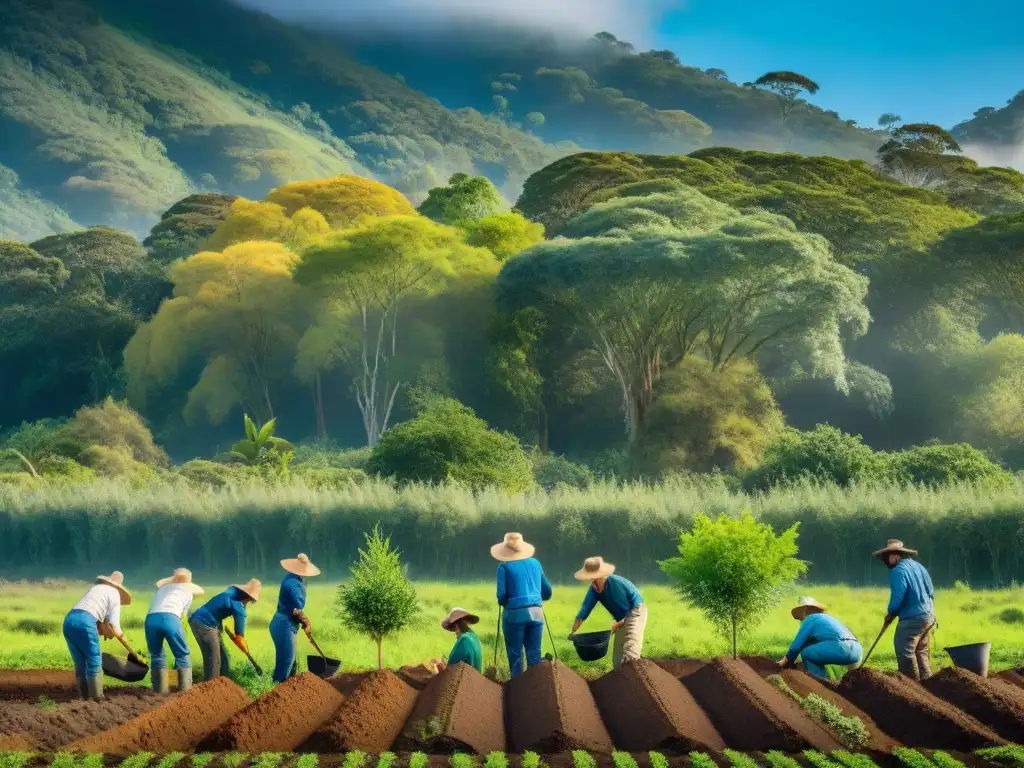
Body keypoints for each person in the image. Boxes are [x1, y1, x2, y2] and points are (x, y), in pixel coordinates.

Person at [63, 571, 133, 700]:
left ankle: (83, 698)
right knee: (94, 659)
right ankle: (97, 699)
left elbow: (101, 621)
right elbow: (114, 626)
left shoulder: (96, 588)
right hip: (86, 621)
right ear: (118, 587)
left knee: (80, 663)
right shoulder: (115, 593)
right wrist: (132, 651)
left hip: (69, 620)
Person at [875, 538, 936, 680]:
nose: (886, 562)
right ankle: (928, 684)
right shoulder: (919, 567)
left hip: (912, 618)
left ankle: (911, 686)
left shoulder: (898, 571)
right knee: (921, 651)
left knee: (905, 651)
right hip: (929, 616)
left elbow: (897, 598)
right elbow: (931, 591)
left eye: (886, 557)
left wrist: (890, 613)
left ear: (894, 556)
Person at [493, 532, 552, 678]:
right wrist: (536, 600)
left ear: (505, 550)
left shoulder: (503, 567)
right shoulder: (536, 564)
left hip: (514, 614)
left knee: (516, 655)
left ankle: (517, 687)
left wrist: (504, 602)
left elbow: (501, 595)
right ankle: (535, 686)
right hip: (536, 613)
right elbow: (548, 591)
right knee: (535, 654)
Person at [571, 557, 647, 668]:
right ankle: (620, 674)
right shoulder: (594, 590)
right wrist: (574, 630)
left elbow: (627, 610)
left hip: (635, 611)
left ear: (602, 576)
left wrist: (619, 623)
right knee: (618, 657)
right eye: (592, 580)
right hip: (622, 617)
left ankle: (635, 672)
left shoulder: (615, 585)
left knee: (631, 648)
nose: (593, 583)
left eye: (595, 579)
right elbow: (585, 609)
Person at [189, 578, 261, 681]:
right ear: (250, 597)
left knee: (224, 660)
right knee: (214, 660)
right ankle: (211, 687)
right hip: (204, 624)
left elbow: (221, 606)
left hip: (205, 622)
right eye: (251, 600)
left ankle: (224, 685)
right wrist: (243, 647)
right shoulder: (239, 609)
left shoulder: (232, 591)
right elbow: (239, 637)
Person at [146, 568, 204, 693]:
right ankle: (185, 691)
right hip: (171, 619)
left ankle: (159, 691)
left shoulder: (161, 589)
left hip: (151, 620)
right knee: (182, 654)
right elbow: (182, 616)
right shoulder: (188, 592)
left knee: (156, 655)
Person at [777, 597, 862, 680]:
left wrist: (786, 661)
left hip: (841, 649)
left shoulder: (810, 618)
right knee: (811, 652)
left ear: (805, 610)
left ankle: (818, 682)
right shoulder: (828, 619)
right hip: (857, 651)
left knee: (806, 653)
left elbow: (797, 645)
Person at [270, 553, 320, 683]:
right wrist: (306, 621)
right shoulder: (294, 585)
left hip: (282, 622)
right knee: (287, 661)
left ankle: (283, 686)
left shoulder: (291, 577)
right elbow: (296, 610)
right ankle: (278, 689)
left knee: (287, 661)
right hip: (284, 625)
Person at [433, 608, 484, 674]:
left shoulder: (464, 640)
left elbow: (450, 670)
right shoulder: (474, 636)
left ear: (456, 626)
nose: (455, 634)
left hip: (467, 679)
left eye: (454, 629)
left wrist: (441, 668)